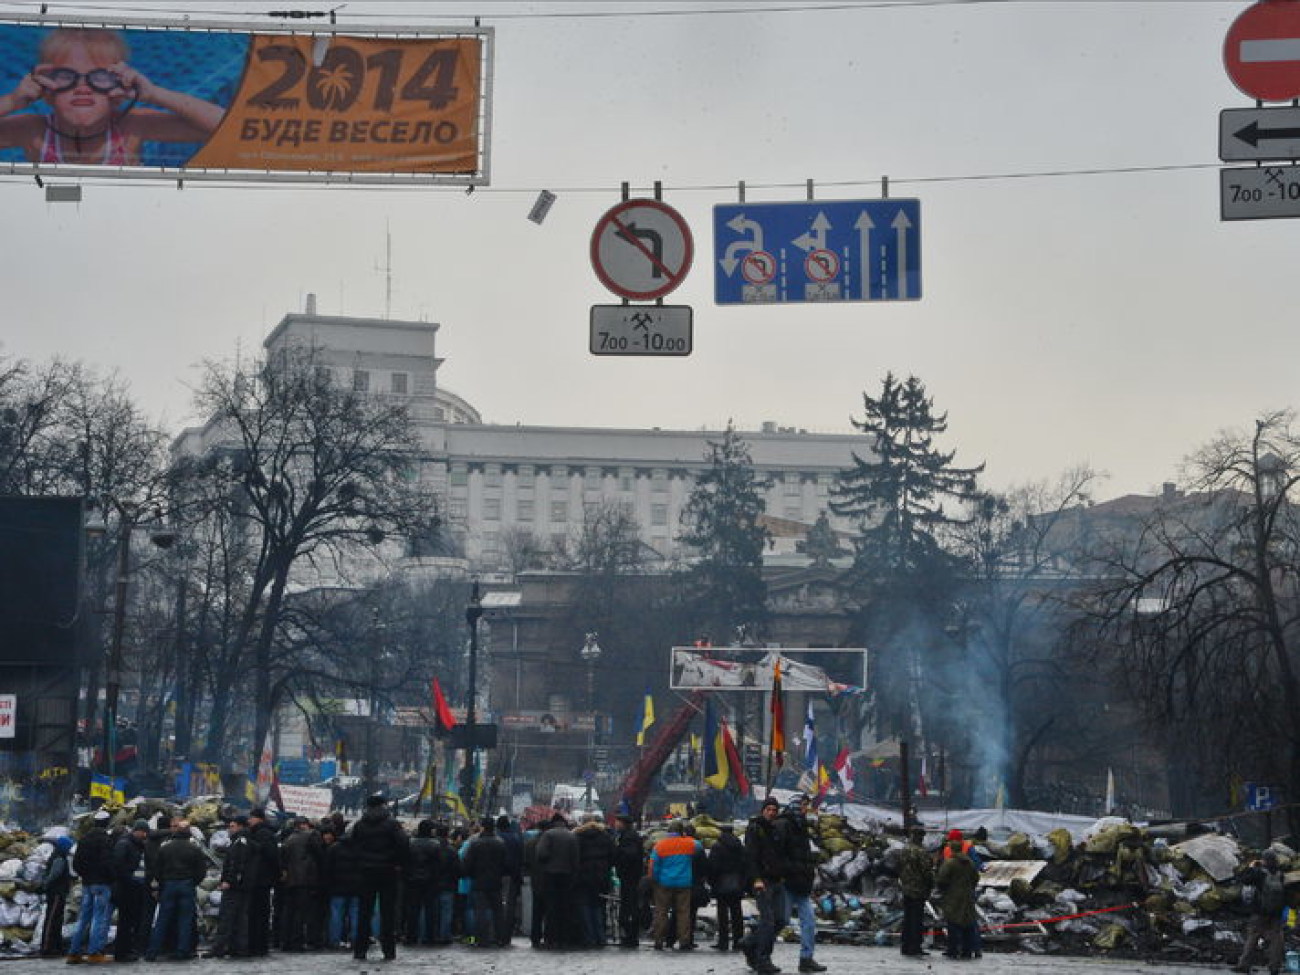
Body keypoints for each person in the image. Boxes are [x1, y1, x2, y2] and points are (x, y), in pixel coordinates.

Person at [0, 27, 225, 165]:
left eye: (99, 77)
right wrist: (12, 101)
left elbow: (227, 128)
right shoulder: (33, 132)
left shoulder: (131, 127)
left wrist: (155, 94)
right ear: (46, 91)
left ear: (118, 91)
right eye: (66, 76)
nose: (82, 87)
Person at [349, 793, 409, 961]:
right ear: (383, 806)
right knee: (387, 912)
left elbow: (353, 846)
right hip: (388, 872)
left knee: (364, 912)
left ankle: (360, 950)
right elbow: (403, 844)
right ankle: (388, 950)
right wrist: (398, 863)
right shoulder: (392, 825)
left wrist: (360, 863)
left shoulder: (360, 825)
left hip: (365, 872)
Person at [144, 818, 207, 962]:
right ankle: (182, 951)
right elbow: (201, 870)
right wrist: (193, 882)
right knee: (185, 920)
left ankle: (152, 952)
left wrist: (161, 884)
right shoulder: (194, 849)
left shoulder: (165, 848)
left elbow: (157, 869)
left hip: (169, 885)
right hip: (187, 885)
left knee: (162, 919)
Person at [778, 795, 826, 973]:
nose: (806, 809)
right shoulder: (784, 825)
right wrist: (789, 871)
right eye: (804, 805)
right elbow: (779, 854)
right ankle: (755, 948)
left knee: (809, 922)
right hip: (788, 882)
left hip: (802, 883)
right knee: (780, 921)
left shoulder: (802, 826)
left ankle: (806, 958)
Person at [742, 796, 787, 975]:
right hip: (762, 881)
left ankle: (750, 942)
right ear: (763, 811)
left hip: (776, 880)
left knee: (781, 920)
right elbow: (750, 857)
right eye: (769, 809)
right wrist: (756, 879)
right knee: (767, 921)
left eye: (774, 810)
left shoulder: (776, 830)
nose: (771, 813)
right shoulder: (755, 829)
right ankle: (763, 959)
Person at [67, 808, 116, 964]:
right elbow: (108, 863)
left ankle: (74, 953)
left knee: (83, 918)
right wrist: (110, 878)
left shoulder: (84, 839)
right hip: (102, 884)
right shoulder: (106, 840)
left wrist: (86, 876)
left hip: (87, 884)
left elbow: (76, 863)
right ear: (107, 823)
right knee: (99, 918)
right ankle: (94, 952)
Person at [1233, 850, 1288, 975]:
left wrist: (1251, 867)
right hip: (1276, 913)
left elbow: (1243, 879)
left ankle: (1244, 964)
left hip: (1260, 911)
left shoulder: (1260, 873)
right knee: (1277, 939)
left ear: (1264, 860)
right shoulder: (1280, 874)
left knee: (1253, 936)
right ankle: (1275, 967)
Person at [649, 818, 700, 951]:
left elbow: (653, 865)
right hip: (684, 883)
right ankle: (684, 941)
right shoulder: (689, 843)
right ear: (681, 831)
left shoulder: (660, 845)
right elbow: (699, 847)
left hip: (663, 883)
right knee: (683, 913)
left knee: (661, 912)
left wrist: (653, 879)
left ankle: (659, 940)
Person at [207, 816, 253, 959]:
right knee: (239, 919)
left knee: (227, 917)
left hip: (234, 887)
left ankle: (219, 948)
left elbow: (238, 865)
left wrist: (229, 881)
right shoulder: (240, 841)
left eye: (232, 826)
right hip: (240, 886)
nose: (229, 829)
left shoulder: (241, 843)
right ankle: (237, 948)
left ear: (240, 827)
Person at [534, 812, 580, 949]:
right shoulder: (572, 836)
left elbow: (541, 853)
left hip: (550, 875)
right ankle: (564, 937)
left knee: (551, 907)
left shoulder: (548, 835)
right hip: (567, 875)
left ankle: (550, 937)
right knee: (565, 907)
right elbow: (576, 859)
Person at [462, 816, 509, 947]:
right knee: (498, 911)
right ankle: (500, 937)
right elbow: (505, 864)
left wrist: (470, 874)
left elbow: (467, 864)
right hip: (495, 882)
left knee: (480, 911)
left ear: (483, 827)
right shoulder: (500, 843)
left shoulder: (475, 843)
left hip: (478, 882)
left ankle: (482, 939)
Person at [934, 830, 981, 960]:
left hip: (952, 896)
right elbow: (976, 877)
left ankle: (953, 949)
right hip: (967, 895)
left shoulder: (950, 862)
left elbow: (941, 879)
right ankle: (969, 950)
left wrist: (942, 890)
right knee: (968, 922)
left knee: (953, 923)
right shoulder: (970, 862)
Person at [279, 816, 324, 951]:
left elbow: (283, 859)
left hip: (291, 880)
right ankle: (297, 941)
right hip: (305, 879)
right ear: (305, 825)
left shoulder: (288, 839)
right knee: (301, 912)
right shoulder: (311, 836)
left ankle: (286, 941)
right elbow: (319, 855)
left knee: (289, 911)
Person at [110, 819, 151, 962]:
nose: (145, 835)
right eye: (144, 832)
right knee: (125, 922)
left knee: (130, 921)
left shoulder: (136, 845)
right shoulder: (124, 844)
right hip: (125, 889)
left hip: (134, 889)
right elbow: (118, 866)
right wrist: (130, 879)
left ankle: (127, 949)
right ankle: (122, 952)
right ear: (137, 831)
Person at [574, 810, 616, 947]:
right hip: (601, 875)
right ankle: (601, 937)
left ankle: (589, 937)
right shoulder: (605, 835)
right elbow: (612, 856)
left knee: (585, 905)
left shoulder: (578, 836)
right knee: (599, 905)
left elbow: (575, 857)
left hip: (583, 875)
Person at [245, 807, 280, 957]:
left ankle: (258, 945)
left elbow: (272, 856)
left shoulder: (262, 834)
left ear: (259, 818)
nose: (249, 820)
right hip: (261, 879)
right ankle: (257, 945)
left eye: (251, 817)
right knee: (258, 914)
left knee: (258, 914)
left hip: (260, 879)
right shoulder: (261, 833)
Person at [707, 821, 747, 953]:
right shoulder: (739, 846)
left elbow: (712, 867)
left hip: (721, 884)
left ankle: (723, 941)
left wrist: (712, 882)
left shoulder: (717, 846)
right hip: (737, 883)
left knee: (722, 914)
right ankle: (738, 941)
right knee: (737, 914)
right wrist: (743, 883)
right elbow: (745, 865)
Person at [898, 827, 934, 958]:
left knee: (907, 918)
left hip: (906, 887)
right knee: (916, 919)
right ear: (921, 837)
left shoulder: (904, 850)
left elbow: (899, 867)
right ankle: (915, 946)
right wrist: (931, 885)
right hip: (918, 889)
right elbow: (927, 872)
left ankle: (905, 945)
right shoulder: (921, 851)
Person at [611, 813, 645, 948]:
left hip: (629, 876)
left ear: (623, 823)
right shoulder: (628, 835)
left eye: (617, 822)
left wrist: (617, 854)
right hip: (630, 876)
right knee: (629, 906)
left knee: (629, 906)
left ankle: (630, 936)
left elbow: (629, 855)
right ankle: (630, 935)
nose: (615, 824)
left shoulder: (629, 837)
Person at [403, 820, 439, 946]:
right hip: (430, 882)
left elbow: (405, 862)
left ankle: (411, 936)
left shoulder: (410, 843)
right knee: (430, 910)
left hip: (413, 880)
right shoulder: (435, 844)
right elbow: (438, 865)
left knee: (413, 910)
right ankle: (429, 937)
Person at [38, 835, 74, 957]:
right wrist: (45, 886)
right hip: (56, 893)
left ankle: (55, 947)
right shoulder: (59, 859)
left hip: (57, 892)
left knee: (56, 920)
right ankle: (47, 947)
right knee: (52, 919)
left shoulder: (58, 856)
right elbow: (54, 875)